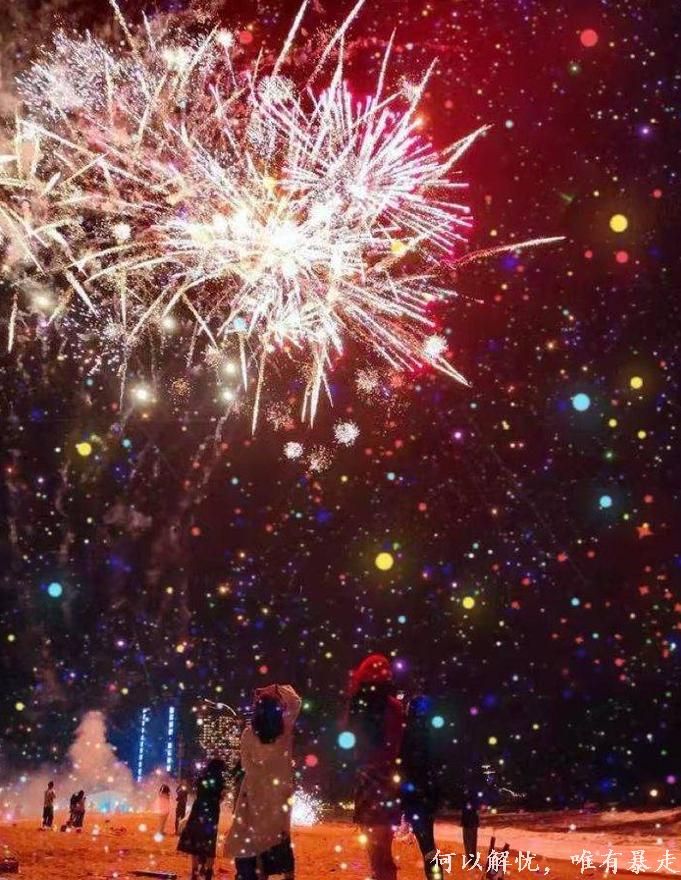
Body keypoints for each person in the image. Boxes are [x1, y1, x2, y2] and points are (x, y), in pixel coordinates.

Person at [226, 683, 301, 880]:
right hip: (278, 796)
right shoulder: (285, 730)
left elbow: (245, 764)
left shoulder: (248, 734)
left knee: (252, 845)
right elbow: (295, 702)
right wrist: (275, 689)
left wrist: (259, 777)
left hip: (254, 794)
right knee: (278, 838)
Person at [346, 654, 405, 880]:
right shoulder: (395, 707)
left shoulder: (356, 707)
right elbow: (398, 745)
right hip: (387, 778)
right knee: (385, 852)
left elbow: (351, 744)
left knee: (374, 852)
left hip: (367, 778)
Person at [400, 696, 442, 878]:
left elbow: (406, 766)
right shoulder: (429, 734)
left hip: (416, 797)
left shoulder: (409, 735)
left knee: (427, 846)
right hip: (427, 795)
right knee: (428, 844)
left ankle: (435, 876)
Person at [178, 758, 226, 880]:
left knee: (195, 842)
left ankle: (194, 872)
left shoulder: (202, 778)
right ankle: (208, 872)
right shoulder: (220, 781)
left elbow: (198, 794)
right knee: (210, 843)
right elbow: (221, 798)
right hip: (212, 813)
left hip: (198, 811)